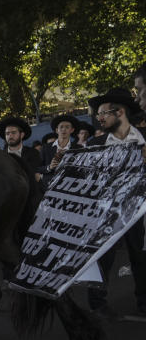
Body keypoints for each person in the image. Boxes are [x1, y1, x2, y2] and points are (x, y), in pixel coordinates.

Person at [85, 88, 146, 319]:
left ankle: (143, 302)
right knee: (103, 258)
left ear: (120, 112)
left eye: (103, 113)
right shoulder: (95, 143)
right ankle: (97, 304)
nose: (98, 118)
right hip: (107, 212)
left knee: (140, 257)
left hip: (139, 211)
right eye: (97, 114)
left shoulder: (144, 139)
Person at [0, 116, 42, 181]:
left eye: (13, 132)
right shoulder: (0, 156)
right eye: (7, 133)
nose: (10, 136)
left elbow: (35, 174)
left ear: (22, 135)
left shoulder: (33, 153)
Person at [40, 114, 80, 187]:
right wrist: (49, 167)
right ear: (56, 130)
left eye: (67, 127)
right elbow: (38, 168)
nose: (64, 129)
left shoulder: (78, 148)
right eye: (61, 127)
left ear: (72, 130)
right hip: (49, 186)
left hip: (70, 186)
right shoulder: (46, 148)